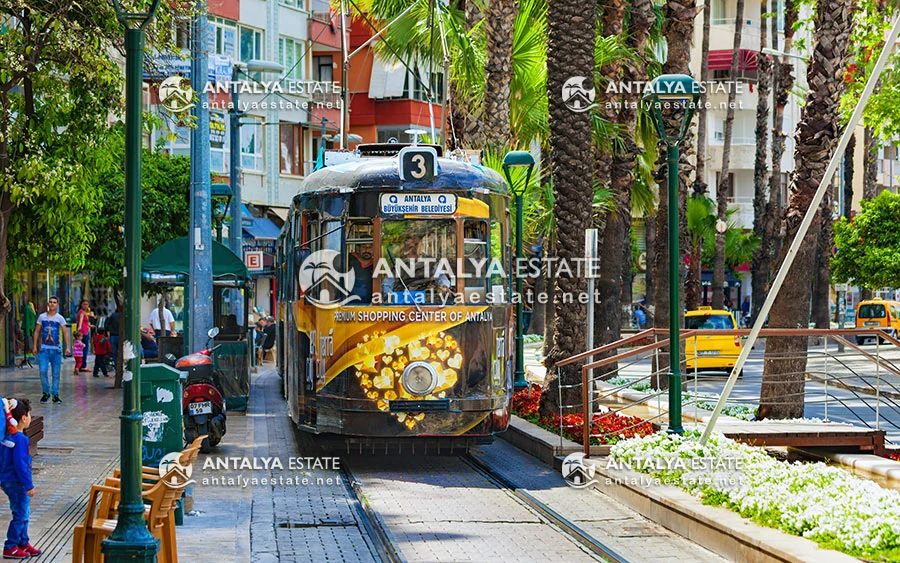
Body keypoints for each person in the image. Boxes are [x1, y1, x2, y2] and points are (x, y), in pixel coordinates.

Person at [0, 398, 40, 559]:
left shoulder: (7, 438)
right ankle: (11, 545)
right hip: (17, 482)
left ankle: (23, 542)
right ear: (24, 418)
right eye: (29, 415)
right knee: (21, 514)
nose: (30, 418)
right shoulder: (21, 439)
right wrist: (28, 485)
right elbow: (20, 465)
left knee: (23, 511)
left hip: (8, 480)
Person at [32, 297, 69, 404]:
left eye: (54, 302)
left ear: (57, 305)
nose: (52, 304)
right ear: (48, 304)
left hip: (56, 350)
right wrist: (35, 346)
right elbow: (37, 331)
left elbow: (65, 332)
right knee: (42, 371)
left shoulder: (60, 318)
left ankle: (55, 394)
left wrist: (67, 347)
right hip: (44, 349)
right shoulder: (42, 317)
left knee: (56, 374)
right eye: (51, 302)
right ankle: (46, 392)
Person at [18, 302, 36, 370]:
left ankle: (27, 358)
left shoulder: (30, 308)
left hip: (30, 329)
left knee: (29, 344)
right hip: (28, 329)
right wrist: (28, 331)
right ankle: (25, 359)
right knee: (28, 344)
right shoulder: (28, 309)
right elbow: (27, 321)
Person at [75, 300, 92, 364]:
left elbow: (85, 322)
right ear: (81, 305)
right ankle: (83, 364)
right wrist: (79, 327)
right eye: (84, 304)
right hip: (83, 332)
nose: (86, 306)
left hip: (85, 331)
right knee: (84, 348)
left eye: (87, 304)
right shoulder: (82, 312)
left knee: (81, 348)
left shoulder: (84, 312)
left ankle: (80, 364)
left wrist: (89, 325)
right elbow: (81, 320)